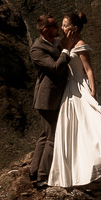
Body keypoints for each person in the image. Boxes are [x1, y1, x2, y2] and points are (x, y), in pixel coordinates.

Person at [46, 12, 101, 187]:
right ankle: (73, 171)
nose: (62, 28)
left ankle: (94, 165)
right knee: (71, 127)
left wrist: (93, 90)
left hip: (79, 87)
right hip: (68, 90)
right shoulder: (61, 44)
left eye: (65, 26)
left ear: (74, 28)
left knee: (86, 126)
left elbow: (88, 69)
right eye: (62, 25)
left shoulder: (81, 45)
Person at [28, 15, 70, 185]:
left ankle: (34, 171)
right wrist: (65, 51)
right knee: (52, 137)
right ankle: (42, 178)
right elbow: (55, 68)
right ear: (45, 30)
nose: (58, 28)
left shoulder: (56, 42)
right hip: (47, 99)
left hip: (54, 96)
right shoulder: (37, 49)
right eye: (54, 26)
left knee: (45, 135)